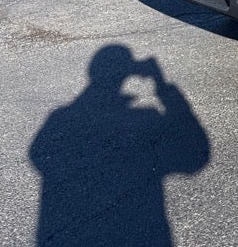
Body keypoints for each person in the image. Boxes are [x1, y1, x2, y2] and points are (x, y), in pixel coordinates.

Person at [29, 45, 210, 247]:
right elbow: (194, 159)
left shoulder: (60, 117)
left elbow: (37, 155)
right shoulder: (144, 115)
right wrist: (160, 82)